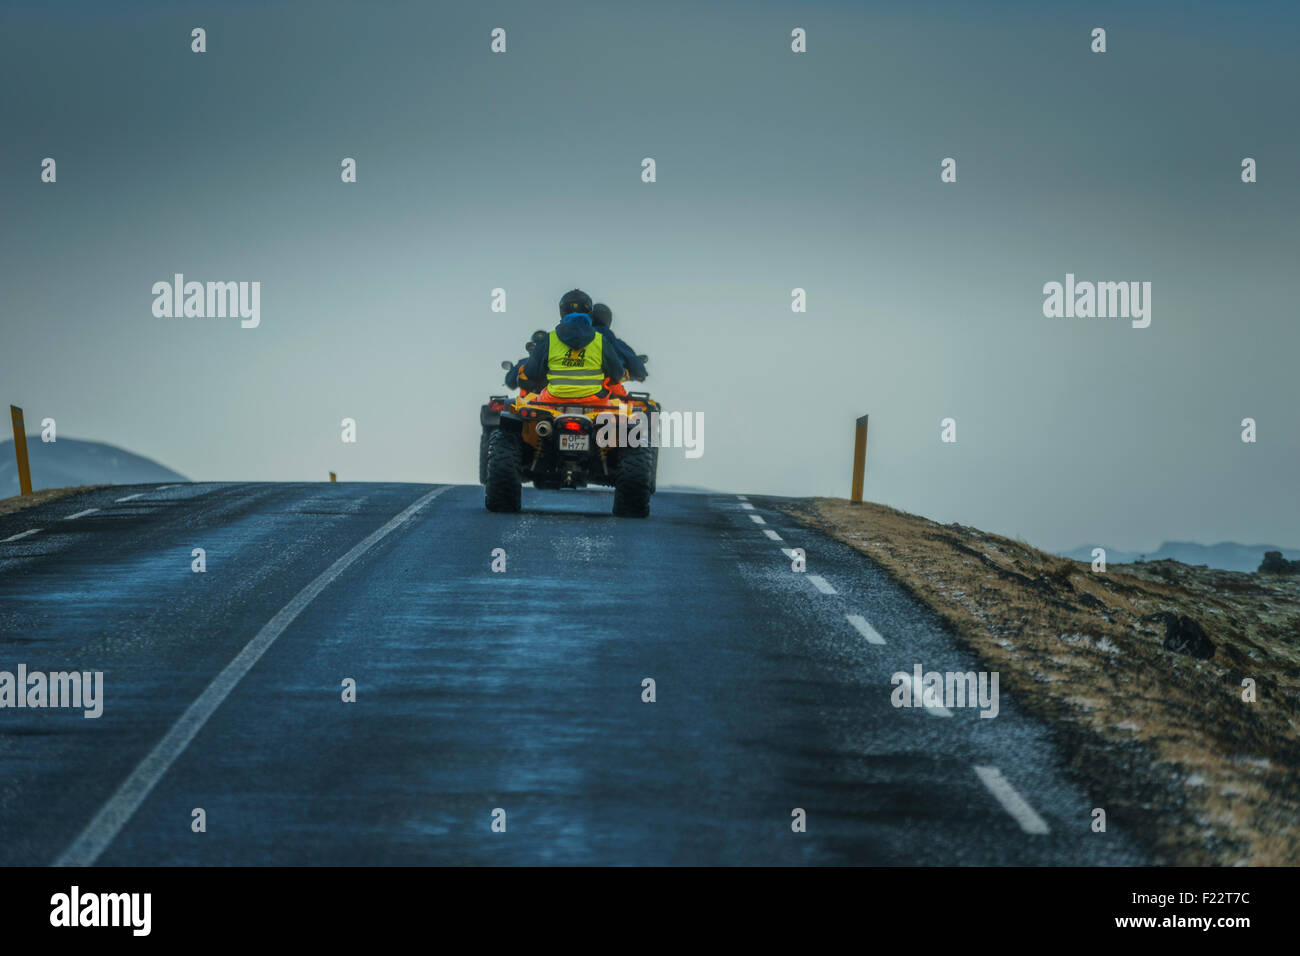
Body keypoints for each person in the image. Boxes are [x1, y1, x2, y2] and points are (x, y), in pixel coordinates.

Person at [521, 289, 624, 401]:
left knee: (523, 407)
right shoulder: (600, 340)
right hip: (593, 401)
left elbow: (531, 373)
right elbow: (617, 374)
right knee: (620, 409)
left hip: (554, 400)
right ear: (589, 312)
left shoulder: (549, 339)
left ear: (562, 311)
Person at [504, 330, 548, 395]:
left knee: (505, 403)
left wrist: (512, 370)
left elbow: (510, 382)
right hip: (558, 398)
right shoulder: (558, 360)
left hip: (532, 401)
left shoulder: (524, 363)